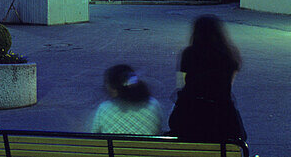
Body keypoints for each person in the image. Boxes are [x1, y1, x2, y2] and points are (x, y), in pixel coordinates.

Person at [168, 15, 246, 144]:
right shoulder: (229, 55)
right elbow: (227, 86)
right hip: (223, 120)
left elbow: (181, 85)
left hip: (189, 117)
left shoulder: (188, 53)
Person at [90, 64, 164, 135]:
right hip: (147, 147)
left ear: (114, 88)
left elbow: (94, 134)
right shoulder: (153, 104)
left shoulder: (104, 108)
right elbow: (159, 129)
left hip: (113, 148)